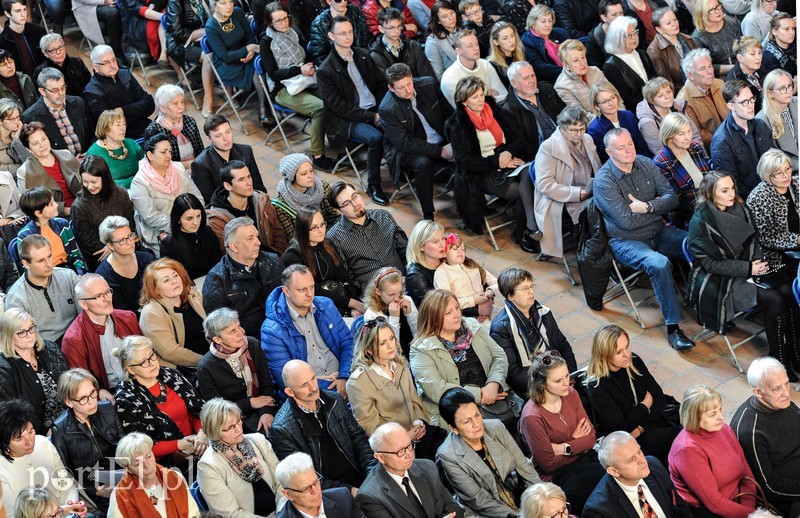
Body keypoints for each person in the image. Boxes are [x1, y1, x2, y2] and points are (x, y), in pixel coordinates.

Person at [593, 128, 694, 349]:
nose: (629, 150)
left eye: (630, 143)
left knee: (695, 244)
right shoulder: (604, 181)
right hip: (626, 241)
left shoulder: (645, 163)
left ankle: (702, 302)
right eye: (621, 148)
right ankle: (673, 328)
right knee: (659, 263)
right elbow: (626, 222)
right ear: (610, 153)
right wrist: (657, 211)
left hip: (658, 231)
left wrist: (646, 207)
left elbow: (673, 198)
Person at [447, 76, 533, 244]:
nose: (480, 100)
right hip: (483, 171)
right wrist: (497, 161)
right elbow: (464, 160)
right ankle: (523, 233)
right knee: (523, 191)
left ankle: (530, 227)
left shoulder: (494, 110)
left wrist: (507, 154)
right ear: (463, 101)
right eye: (474, 97)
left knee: (532, 177)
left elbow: (518, 136)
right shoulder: (457, 124)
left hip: (509, 159)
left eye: (481, 94)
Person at [520, 351, 606, 515]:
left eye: (567, 375)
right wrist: (576, 442)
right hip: (557, 476)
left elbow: (590, 437)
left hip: (583, 459)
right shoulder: (532, 416)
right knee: (600, 482)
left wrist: (563, 447)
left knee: (610, 471)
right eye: (558, 380)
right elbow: (548, 464)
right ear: (542, 384)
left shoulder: (571, 394)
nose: (566, 382)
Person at [269, 359, 377, 489]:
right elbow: (304, 477)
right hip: (328, 493)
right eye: (304, 385)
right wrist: (348, 491)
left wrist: (372, 474)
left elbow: (359, 440)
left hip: (360, 476)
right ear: (289, 392)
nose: (314, 388)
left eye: (313, 379)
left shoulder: (335, 401)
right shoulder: (282, 430)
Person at [411, 289, 510, 427]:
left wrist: (494, 383)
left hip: (493, 399)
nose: (457, 315)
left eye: (456, 308)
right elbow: (437, 389)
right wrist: (480, 394)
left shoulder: (471, 325)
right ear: (434, 319)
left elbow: (498, 354)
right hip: (455, 412)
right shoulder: (421, 350)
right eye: (448, 313)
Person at [317, 16, 389, 206]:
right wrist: (371, 116)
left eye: (350, 32)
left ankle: (405, 170)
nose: (348, 36)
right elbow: (338, 106)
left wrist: (382, 109)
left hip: (375, 108)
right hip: (348, 119)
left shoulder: (363, 54)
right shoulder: (326, 70)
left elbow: (381, 83)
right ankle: (374, 184)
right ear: (332, 36)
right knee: (376, 138)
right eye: (343, 33)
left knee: (401, 124)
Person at [586, 324, 682, 466]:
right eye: (619, 352)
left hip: (650, 424)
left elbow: (659, 399)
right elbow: (621, 427)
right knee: (682, 436)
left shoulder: (634, 361)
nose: (626, 354)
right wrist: (644, 405)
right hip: (632, 441)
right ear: (603, 355)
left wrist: (639, 427)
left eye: (627, 346)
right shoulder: (597, 385)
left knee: (693, 424)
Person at [347, 318, 446, 455]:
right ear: (368, 349)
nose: (391, 346)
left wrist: (419, 422)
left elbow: (415, 402)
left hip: (418, 435)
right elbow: (372, 428)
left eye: (392, 338)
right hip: (393, 448)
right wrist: (406, 436)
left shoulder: (401, 365)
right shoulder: (357, 382)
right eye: (382, 343)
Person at [436, 387, 540, 517]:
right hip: (485, 513)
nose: (477, 424)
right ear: (453, 428)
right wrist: (517, 516)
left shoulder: (495, 427)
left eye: (477, 415)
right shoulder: (448, 455)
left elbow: (523, 466)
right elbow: (480, 501)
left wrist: (543, 496)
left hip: (518, 496)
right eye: (467, 421)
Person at [260, 3, 335, 172]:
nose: (283, 23)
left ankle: (340, 142)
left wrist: (309, 66)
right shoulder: (267, 42)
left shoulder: (294, 32)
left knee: (333, 97)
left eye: (285, 18)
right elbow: (273, 74)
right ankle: (318, 156)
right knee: (320, 108)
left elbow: (306, 55)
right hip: (283, 88)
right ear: (270, 23)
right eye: (278, 21)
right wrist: (299, 69)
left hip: (304, 80)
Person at [261, 264, 356, 395]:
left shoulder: (326, 305)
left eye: (311, 287)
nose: (309, 294)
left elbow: (348, 343)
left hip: (343, 376)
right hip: (312, 389)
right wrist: (332, 387)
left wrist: (344, 376)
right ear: (286, 291)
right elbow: (288, 379)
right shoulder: (271, 330)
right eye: (302, 290)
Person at [112, 336, 207, 463]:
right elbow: (140, 446)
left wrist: (201, 432)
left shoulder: (171, 375)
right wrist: (180, 444)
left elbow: (195, 411)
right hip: (165, 460)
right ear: (131, 369)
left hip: (197, 444)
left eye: (151, 356)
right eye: (143, 362)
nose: (152, 363)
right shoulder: (125, 399)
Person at [668, 385, 757, 517]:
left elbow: (746, 473)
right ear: (694, 417)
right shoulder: (687, 450)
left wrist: (749, 509)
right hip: (710, 512)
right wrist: (752, 514)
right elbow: (714, 503)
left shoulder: (724, 429)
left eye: (720, 409)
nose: (721, 417)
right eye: (713, 414)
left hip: (739, 503)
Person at [380, 63, 453, 221]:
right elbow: (405, 143)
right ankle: (428, 213)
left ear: (412, 77)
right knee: (423, 163)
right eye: (401, 87)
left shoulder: (429, 84)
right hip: (408, 150)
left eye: (409, 84)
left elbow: (449, 114)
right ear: (391, 88)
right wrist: (440, 151)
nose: (408, 90)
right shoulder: (387, 109)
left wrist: (455, 140)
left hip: (440, 138)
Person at [729, 357, 800, 518]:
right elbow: (770, 487)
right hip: (788, 497)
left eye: (787, 383)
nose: (786, 392)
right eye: (776, 388)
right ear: (758, 392)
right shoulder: (750, 431)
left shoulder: (781, 402)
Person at [489, 267, 577, 397]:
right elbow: (513, 373)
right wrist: (548, 384)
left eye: (531, 286)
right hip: (533, 387)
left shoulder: (543, 312)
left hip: (558, 375)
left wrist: (569, 374)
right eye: (525, 289)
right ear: (510, 295)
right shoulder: (501, 328)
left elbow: (563, 345)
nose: (531, 292)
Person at [197, 398, 285, 516]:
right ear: (214, 432)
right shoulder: (208, 466)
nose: (238, 429)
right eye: (229, 427)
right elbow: (231, 514)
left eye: (238, 421)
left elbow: (282, 482)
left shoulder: (259, 440)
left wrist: (282, 512)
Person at [50, 368, 122, 514]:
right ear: (69, 402)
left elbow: (124, 445)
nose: (92, 401)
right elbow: (65, 472)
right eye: (83, 398)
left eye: (93, 393)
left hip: (122, 478)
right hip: (92, 493)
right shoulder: (60, 430)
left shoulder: (107, 409)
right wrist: (94, 489)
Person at [534, 105, 601, 258]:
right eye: (573, 130)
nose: (579, 134)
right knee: (596, 221)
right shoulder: (548, 147)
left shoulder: (588, 139)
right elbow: (545, 185)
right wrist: (577, 194)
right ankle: (595, 258)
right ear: (562, 128)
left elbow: (598, 167)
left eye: (582, 129)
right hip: (562, 200)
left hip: (589, 192)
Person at [355, 422, 463, 517]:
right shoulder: (370, 496)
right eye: (400, 451)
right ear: (380, 457)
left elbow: (454, 508)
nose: (409, 455)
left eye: (410, 445)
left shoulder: (428, 467)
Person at [197, 309, 278, 434]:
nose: (241, 333)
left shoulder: (252, 344)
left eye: (239, 326)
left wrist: (266, 412)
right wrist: (250, 403)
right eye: (232, 331)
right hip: (234, 420)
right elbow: (218, 410)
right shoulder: (206, 367)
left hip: (265, 406)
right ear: (217, 339)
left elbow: (267, 384)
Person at [0, 399, 85, 517]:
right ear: (4, 443)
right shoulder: (2, 470)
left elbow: (66, 485)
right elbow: (11, 515)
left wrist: (70, 507)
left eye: (31, 431)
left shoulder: (43, 443)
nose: (29, 441)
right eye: (19, 439)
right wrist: (59, 512)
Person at [202, 217, 283, 338]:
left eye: (257, 236)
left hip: (282, 326)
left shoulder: (273, 261)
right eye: (250, 238)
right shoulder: (217, 279)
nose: (258, 242)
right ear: (234, 246)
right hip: (249, 339)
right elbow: (220, 328)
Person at [582, 431, 693, 517]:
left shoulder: (653, 465)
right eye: (631, 460)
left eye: (639, 451)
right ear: (614, 471)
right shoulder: (598, 510)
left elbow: (680, 507)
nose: (642, 460)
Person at [61, 274, 142, 393]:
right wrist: (98, 393)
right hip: (108, 393)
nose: (107, 299)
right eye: (98, 296)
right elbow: (79, 384)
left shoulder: (128, 318)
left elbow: (144, 354)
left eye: (108, 292)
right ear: (83, 304)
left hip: (139, 380)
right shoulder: (73, 339)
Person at [130, 133, 204, 255]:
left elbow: (197, 196)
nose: (168, 156)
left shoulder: (178, 168)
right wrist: (180, 224)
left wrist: (196, 217)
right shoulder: (139, 183)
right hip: (162, 233)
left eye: (170, 151)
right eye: (163, 152)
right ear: (150, 155)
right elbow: (151, 217)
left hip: (193, 223)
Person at [282, 206, 363, 317]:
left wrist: (355, 302)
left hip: (339, 298)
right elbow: (314, 291)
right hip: (314, 305)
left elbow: (343, 278)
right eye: (314, 227)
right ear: (303, 229)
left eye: (322, 224)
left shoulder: (328, 244)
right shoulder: (293, 255)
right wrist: (351, 306)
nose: (321, 230)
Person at [0, 308, 71, 431]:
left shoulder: (50, 348)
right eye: (21, 332)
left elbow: (69, 383)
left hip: (69, 420)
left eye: (31, 328)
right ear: (9, 335)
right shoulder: (4, 368)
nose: (29, 335)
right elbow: (12, 415)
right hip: (36, 433)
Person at [326, 181, 408, 287]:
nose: (355, 204)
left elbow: (404, 248)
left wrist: (410, 276)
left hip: (403, 281)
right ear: (338, 211)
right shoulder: (334, 237)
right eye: (346, 204)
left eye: (354, 196)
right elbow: (347, 276)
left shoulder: (383, 216)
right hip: (373, 295)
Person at [203, 0, 269, 122]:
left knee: (260, 64)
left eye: (230, 2)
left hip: (245, 55)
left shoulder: (237, 13)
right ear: (214, 6)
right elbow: (224, 56)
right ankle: (264, 108)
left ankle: (264, 108)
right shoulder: (211, 26)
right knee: (258, 68)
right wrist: (248, 49)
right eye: (223, 3)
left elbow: (249, 36)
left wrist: (251, 51)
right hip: (227, 64)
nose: (229, 6)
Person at [4, 236, 79, 343]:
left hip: (78, 336)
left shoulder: (68, 276)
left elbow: (85, 316)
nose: (49, 264)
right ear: (26, 264)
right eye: (41, 261)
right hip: (47, 348)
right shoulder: (16, 297)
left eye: (49, 256)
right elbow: (23, 340)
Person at [108, 431, 200, 518]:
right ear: (127, 468)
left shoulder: (175, 477)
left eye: (148, 457)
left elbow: (193, 514)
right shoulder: (120, 496)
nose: (147, 465)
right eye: (137, 464)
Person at [70, 156, 138, 272]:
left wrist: (117, 244)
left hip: (126, 243)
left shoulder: (121, 194)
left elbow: (130, 222)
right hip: (100, 254)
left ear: (104, 178)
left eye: (93, 182)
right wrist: (111, 247)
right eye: (85, 182)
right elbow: (86, 240)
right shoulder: (79, 206)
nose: (89, 186)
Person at [206, 160, 288, 255]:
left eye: (249, 177)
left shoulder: (262, 200)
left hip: (273, 258)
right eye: (241, 180)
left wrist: (279, 259)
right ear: (228, 186)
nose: (249, 183)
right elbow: (230, 254)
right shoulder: (217, 221)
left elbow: (278, 234)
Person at [710, 79, 775, 199]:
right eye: (745, 102)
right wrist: (760, 195)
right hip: (749, 198)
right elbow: (731, 184)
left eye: (752, 99)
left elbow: (774, 159)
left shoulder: (760, 125)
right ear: (731, 106)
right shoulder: (721, 140)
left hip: (772, 187)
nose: (751, 105)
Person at [140, 258, 208, 369]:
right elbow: (171, 352)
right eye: (166, 280)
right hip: (186, 367)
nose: (174, 281)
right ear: (155, 289)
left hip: (212, 355)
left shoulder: (193, 294)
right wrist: (207, 361)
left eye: (175, 275)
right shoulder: (151, 313)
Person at [654, 112, 714, 229]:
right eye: (681, 134)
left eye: (689, 131)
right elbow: (676, 201)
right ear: (669, 137)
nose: (688, 137)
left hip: (711, 202)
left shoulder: (695, 148)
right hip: (690, 215)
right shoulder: (661, 163)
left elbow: (710, 172)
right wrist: (708, 200)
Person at [746, 149, 800, 280]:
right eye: (778, 173)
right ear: (768, 175)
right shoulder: (758, 198)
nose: (786, 176)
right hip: (778, 255)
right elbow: (766, 238)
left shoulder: (797, 184)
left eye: (787, 169)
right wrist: (797, 240)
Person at [83, 45, 156, 139]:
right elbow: (109, 124)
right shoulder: (92, 91)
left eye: (113, 60)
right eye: (106, 62)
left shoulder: (126, 74)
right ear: (96, 67)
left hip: (144, 127)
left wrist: (122, 110)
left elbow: (149, 104)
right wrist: (137, 110)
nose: (113, 65)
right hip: (121, 138)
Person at [500, 61, 565, 166]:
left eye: (532, 75)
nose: (531, 81)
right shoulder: (508, 110)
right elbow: (521, 145)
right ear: (514, 83)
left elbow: (566, 114)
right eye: (525, 78)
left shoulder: (546, 89)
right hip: (542, 157)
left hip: (567, 141)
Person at [191, 114, 267, 203]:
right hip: (224, 210)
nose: (226, 139)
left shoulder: (246, 151)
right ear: (209, 139)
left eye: (228, 132)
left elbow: (259, 187)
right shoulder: (200, 164)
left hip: (251, 202)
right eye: (218, 135)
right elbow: (211, 201)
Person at [10, 188, 86, 274]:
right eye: (51, 204)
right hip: (46, 276)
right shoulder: (25, 236)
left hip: (70, 270)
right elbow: (29, 270)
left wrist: (80, 270)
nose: (56, 205)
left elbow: (76, 254)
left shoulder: (63, 224)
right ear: (38, 213)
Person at [21, 68, 92, 157]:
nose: (61, 93)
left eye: (63, 87)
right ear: (42, 91)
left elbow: (93, 131)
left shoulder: (78, 103)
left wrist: (90, 153)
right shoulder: (30, 117)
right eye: (55, 90)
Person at [94, 216, 157, 315]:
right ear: (110, 246)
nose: (130, 242)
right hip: (129, 322)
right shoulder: (104, 275)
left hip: (158, 311)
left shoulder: (148, 258)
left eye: (130, 236)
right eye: (122, 240)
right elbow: (121, 312)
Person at [17, 122, 81, 218]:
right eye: (35, 143)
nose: (42, 145)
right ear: (28, 149)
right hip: (56, 218)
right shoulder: (24, 172)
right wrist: (68, 210)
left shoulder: (66, 154)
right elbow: (34, 205)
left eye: (44, 139)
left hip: (83, 206)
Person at [434, 232, 499, 323]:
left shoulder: (472, 265)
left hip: (487, 313)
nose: (460, 251)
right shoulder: (442, 273)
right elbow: (446, 302)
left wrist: (489, 292)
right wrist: (473, 301)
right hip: (464, 318)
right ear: (444, 253)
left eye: (463, 249)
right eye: (455, 249)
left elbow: (496, 282)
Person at [272, 154, 339, 239]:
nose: (310, 176)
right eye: (304, 174)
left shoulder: (322, 187)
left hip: (329, 236)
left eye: (311, 171)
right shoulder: (281, 205)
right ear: (292, 177)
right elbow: (293, 238)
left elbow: (335, 217)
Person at [275, 452, 362, 518]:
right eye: (306, 488)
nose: (315, 491)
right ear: (288, 494)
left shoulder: (343, 498)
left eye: (316, 482)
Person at [160, 193, 222, 281]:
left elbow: (218, 262)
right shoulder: (168, 243)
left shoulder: (207, 232)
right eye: (189, 219)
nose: (195, 222)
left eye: (198, 216)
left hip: (213, 282)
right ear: (178, 219)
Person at [440, 30, 508, 108]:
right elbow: (465, 111)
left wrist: (482, 101)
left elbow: (504, 95)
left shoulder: (485, 64)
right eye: (470, 46)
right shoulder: (449, 79)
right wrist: (490, 99)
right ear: (459, 51)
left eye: (476, 44)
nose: (476, 48)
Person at [677, 48, 730, 148]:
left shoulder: (720, 83)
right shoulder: (683, 100)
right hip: (714, 146)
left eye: (710, 66)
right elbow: (697, 133)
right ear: (690, 75)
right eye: (703, 69)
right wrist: (724, 140)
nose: (709, 71)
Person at [587, 81, 651, 162]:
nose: (611, 103)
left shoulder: (629, 115)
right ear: (596, 106)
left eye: (613, 97)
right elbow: (608, 159)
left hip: (641, 161)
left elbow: (641, 145)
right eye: (604, 101)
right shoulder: (595, 129)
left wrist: (647, 164)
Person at [144, 85, 204, 170]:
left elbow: (201, 150)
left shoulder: (190, 121)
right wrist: (191, 164)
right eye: (175, 103)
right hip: (171, 173)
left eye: (182, 102)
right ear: (163, 108)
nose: (181, 106)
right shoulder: (154, 131)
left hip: (196, 168)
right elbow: (158, 164)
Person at [637, 77, 702, 156]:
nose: (667, 97)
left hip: (693, 153)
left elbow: (695, 135)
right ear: (652, 100)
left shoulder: (679, 107)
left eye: (669, 91)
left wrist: (701, 156)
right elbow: (659, 151)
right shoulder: (648, 122)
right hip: (673, 162)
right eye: (660, 95)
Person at [602, 16, 656, 110]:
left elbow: (655, 79)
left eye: (635, 33)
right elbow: (625, 98)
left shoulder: (642, 54)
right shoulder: (610, 66)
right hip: (638, 111)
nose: (634, 38)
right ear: (617, 39)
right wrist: (651, 105)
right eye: (629, 35)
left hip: (657, 102)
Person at [361, 267, 418, 354]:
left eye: (399, 292)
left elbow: (419, 335)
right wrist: (394, 318)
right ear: (378, 292)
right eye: (391, 294)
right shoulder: (372, 315)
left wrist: (410, 314)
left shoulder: (407, 300)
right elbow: (390, 348)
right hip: (394, 358)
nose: (396, 298)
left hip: (415, 351)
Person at [84, 110, 146, 190]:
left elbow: (147, 169)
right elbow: (98, 184)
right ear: (105, 129)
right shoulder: (94, 153)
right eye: (118, 125)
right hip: (113, 195)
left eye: (124, 124)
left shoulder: (131, 144)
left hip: (141, 188)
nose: (123, 128)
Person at [554, 39, 611, 122]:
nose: (582, 63)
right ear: (566, 65)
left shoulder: (596, 71)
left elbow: (615, 96)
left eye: (583, 57)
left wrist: (621, 115)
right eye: (576, 60)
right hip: (595, 125)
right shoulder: (562, 87)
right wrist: (608, 121)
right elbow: (581, 115)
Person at [369, 7, 436, 78]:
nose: (397, 31)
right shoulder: (376, 55)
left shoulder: (414, 46)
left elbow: (428, 76)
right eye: (391, 28)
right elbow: (385, 83)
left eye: (399, 26)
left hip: (419, 88)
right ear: (381, 29)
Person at [647, 7, 697, 93]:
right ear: (659, 29)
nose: (675, 24)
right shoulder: (654, 50)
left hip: (699, 82)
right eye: (668, 23)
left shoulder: (688, 39)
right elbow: (667, 83)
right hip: (682, 92)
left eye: (675, 19)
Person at [757, 68, 798, 172]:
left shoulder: (797, 102)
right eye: (782, 88)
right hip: (787, 172)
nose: (789, 91)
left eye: (789, 86)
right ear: (770, 93)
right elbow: (773, 160)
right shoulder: (762, 120)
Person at [308, 0, 370, 67]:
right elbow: (320, 57)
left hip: (360, 61)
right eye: (338, 0)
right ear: (329, 1)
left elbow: (365, 42)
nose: (343, 2)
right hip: (336, 69)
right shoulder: (319, 24)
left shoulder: (356, 13)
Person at [521, 5, 571, 84]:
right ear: (533, 23)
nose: (548, 25)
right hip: (553, 81)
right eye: (543, 21)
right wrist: (570, 71)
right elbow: (541, 68)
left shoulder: (561, 33)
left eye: (550, 21)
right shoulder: (527, 42)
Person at [692, 0, 741, 77]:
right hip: (720, 77)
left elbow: (744, 45)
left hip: (742, 66)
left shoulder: (732, 22)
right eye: (711, 10)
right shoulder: (698, 38)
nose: (717, 11)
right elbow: (706, 67)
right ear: (702, 14)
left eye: (717, 6)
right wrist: (736, 67)